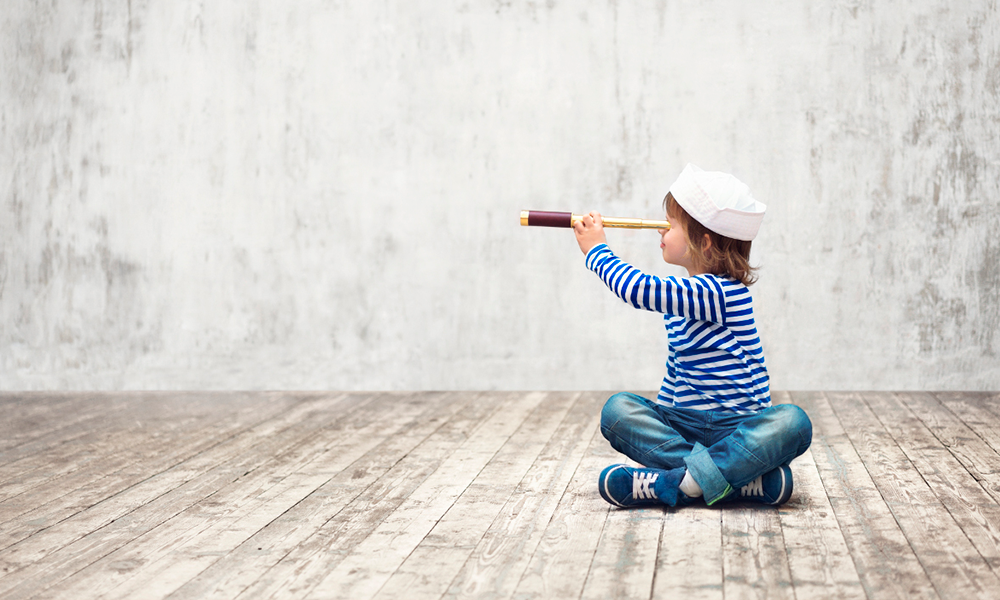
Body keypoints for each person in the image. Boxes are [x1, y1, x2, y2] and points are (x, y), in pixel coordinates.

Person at [572, 163, 812, 508]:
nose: (661, 232)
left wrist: (596, 250)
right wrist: (665, 408)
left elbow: (637, 289)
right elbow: (679, 369)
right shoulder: (684, 293)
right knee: (618, 411)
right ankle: (733, 480)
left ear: (704, 242)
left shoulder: (720, 293)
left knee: (794, 422)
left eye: (670, 225)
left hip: (737, 427)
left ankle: (674, 483)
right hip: (684, 423)